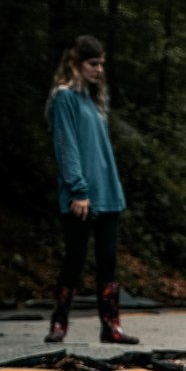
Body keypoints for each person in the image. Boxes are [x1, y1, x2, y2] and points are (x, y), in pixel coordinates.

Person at [45, 34, 138, 344]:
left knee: (108, 260)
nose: (99, 69)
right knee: (74, 259)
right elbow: (65, 146)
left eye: (102, 64)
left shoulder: (94, 101)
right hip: (80, 196)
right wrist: (78, 190)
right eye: (92, 63)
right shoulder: (64, 97)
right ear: (76, 63)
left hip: (108, 194)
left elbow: (100, 151)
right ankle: (59, 323)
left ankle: (111, 326)